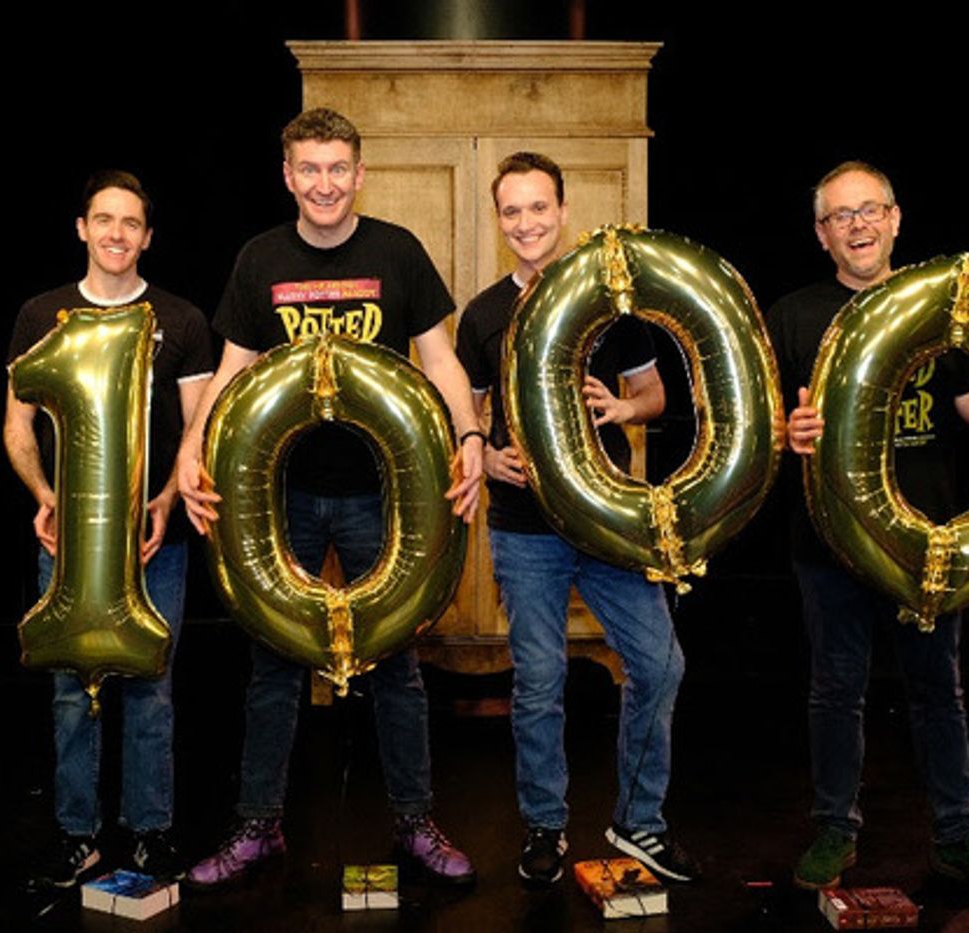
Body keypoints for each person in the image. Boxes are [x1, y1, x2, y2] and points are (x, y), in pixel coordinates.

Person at [768, 161, 969, 906]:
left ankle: (958, 838)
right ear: (822, 235)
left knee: (937, 693)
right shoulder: (794, 314)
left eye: (869, 210)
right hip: (830, 542)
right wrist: (790, 431)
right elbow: (763, 423)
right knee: (836, 691)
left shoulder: (934, 307)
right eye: (841, 215)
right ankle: (834, 829)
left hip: (928, 542)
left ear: (895, 219)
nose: (857, 224)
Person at [176, 108, 483, 889]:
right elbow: (232, 369)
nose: (324, 183)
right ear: (288, 175)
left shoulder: (397, 251)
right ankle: (258, 823)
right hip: (283, 493)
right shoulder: (260, 258)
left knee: (395, 664)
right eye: (309, 169)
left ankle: (415, 821)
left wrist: (472, 438)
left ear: (360, 172)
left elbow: (442, 362)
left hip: (384, 493)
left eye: (337, 168)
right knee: (274, 662)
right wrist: (188, 452)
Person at [455, 152, 697, 886]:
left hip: (609, 521)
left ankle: (639, 822)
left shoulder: (609, 303)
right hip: (524, 528)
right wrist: (486, 454)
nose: (526, 222)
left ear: (562, 212)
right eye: (512, 211)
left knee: (660, 664)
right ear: (501, 222)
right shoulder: (483, 314)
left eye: (538, 207)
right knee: (537, 681)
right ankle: (544, 827)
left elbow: (653, 393)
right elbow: (466, 406)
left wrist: (624, 408)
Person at [4, 170, 214, 886]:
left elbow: (198, 431)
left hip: (157, 541)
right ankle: (77, 835)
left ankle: (151, 831)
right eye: (104, 219)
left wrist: (166, 501)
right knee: (71, 689)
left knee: (150, 686)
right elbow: (17, 423)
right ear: (82, 227)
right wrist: (43, 493)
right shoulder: (43, 314)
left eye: (131, 223)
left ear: (148, 237)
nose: (117, 233)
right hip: (70, 547)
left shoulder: (181, 321)